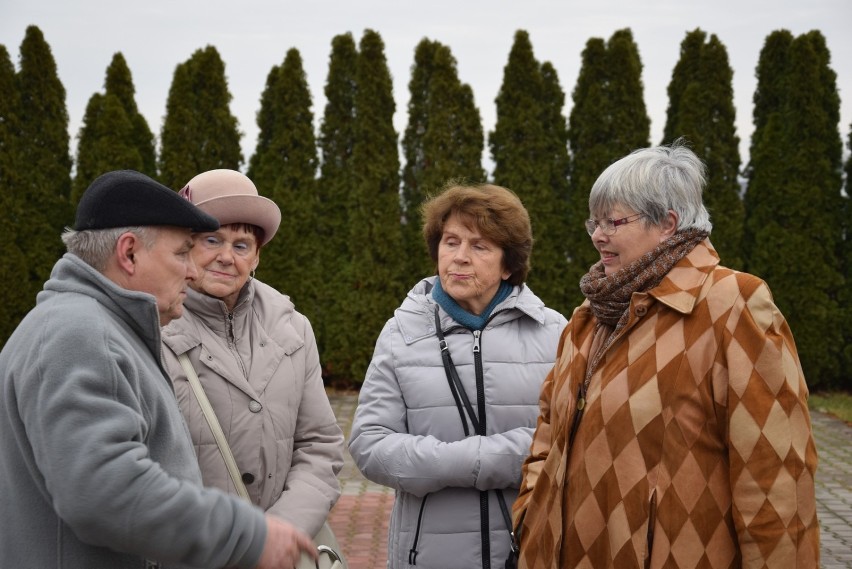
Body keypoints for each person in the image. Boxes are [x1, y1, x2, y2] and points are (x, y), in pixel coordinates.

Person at [513, 141, 820, 569]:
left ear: (668, 224)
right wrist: (529, 513)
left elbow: (773, 474)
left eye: (613, 221)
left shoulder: (733, 304)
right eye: (594, 222)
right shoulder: (591, 314)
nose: (598, 235)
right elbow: (549, 429)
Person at [0, 169, 317, 569]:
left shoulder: (96, 327)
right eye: (183, 252)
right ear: (129, 253)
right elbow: (104, 492)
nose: (191, 269)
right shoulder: (78, 334)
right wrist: (248, 534)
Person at [348, 182, 567, 569]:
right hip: (429, 558)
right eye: (451, 242)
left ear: (509, 263)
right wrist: (479, 460)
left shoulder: (555, 334)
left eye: (479, 246)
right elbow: (370, 446)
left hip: (533, 553)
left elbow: (569, 443)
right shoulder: (401, 332)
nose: (459, 257)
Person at [161, 169, 345, 540]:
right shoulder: (153, 328)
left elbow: (319, 445)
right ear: (185, 245)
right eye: (212, 240)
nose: (227, 257)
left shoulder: (293, 328)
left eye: (242, 245)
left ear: (257, 256)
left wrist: (278, 534)